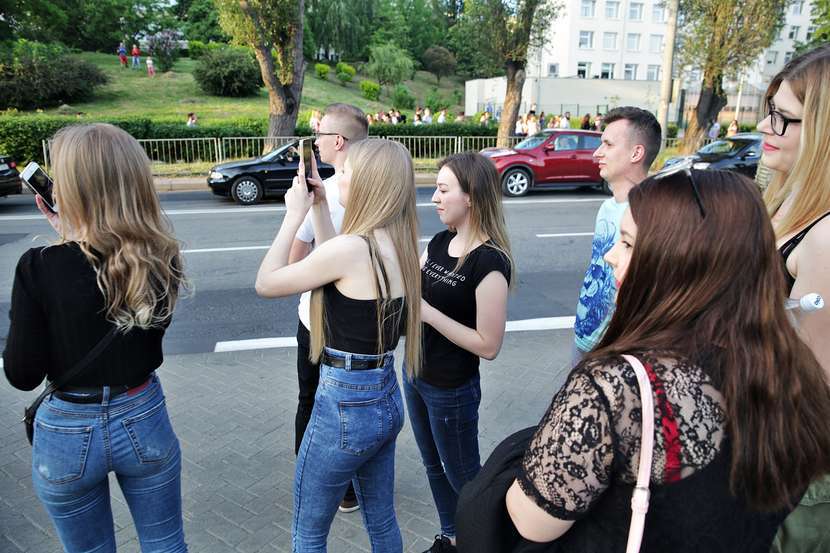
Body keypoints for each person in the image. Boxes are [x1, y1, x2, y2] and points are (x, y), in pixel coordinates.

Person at [505, 169, 830, 551]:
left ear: (679, 265)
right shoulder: (790, 370)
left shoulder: (618, 386)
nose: (610, 255)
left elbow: (531, 521)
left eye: (627, 243)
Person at [3, 123, 188, 552]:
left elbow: (23, 374)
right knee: (165, 544)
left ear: (71, 190)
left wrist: (67, 237)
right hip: (142, 413)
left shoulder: (38, 266)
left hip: (68, 429)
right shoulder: (160, 256)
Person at [256, 138, 421, 552]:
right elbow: (337, 258)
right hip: (384, 393)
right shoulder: (397, 244)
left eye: (344, 172)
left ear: (367, 185)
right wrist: (317, 206)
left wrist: (293, 215)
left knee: (309, 531)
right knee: (381, 520)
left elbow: (266, 282)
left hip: (345, 402)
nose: (335, 177)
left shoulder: (353, 249)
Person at [407, 153, 514, 553]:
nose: (434, 197)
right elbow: (411, 293)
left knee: (467, 478)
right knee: (432, 465)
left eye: (442, 189)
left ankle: (490, 540)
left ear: (470, 197)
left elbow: (489, 345)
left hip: (450, 389)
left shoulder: (490, 262)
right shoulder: (439, 242)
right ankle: (452, 535)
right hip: (415, 374)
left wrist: (429, 314)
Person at [758, 44, 830, 551]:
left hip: (797, 475)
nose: (766, 125)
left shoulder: (824, 238)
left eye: (784, 118)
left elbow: (816, 382)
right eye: (770, 110)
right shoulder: (784, 200)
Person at [287, 103, 369, 513]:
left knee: (311, 399)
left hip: (318, 319)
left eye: (318, 136)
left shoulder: (324, 192)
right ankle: (352, 489)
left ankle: (311, 480)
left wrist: (295, 213)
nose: (314, 143)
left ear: (338, 141)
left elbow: (289, 267)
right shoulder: (386, 190)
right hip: (364, 326)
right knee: (351, 407)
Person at [572, 107, 661, 366]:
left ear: (636, 153)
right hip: (584, 336)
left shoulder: (651, 214)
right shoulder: (607, 207)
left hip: (615, 348)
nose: (597, 153)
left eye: (608, 145)